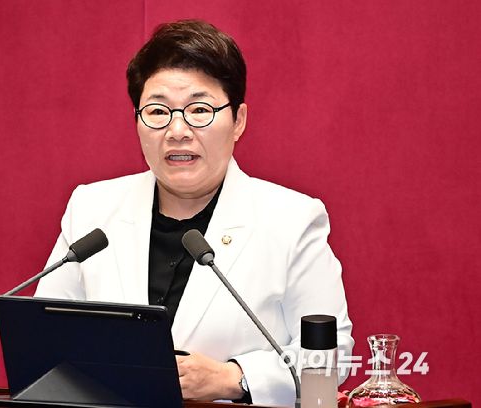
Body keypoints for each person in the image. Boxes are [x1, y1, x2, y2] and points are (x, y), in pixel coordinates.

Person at [35, 19, 353, 406]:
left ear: (238, 121)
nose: (177, 131)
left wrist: (236, 378)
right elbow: (44, 336)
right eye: (157, 111)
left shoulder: (291, 219)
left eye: (199, 109)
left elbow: (330, 354)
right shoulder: (92, 208)